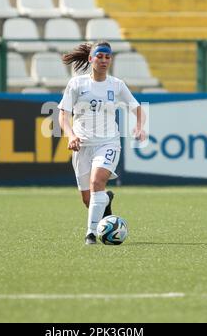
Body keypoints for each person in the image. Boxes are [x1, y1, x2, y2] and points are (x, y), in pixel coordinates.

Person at [58, 41, 146, 245]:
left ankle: (90, 234)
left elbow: (137, 108)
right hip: (82, 146)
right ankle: (106, 200)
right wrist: (71, 136)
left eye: (108, 57)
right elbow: (63, 116)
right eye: (100, 56)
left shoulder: (117, 85)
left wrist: (139, 126)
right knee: (88, 200)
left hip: (108, 143)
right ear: (91, 59)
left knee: (97, 182)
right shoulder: (77, 84)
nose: (104, 60)